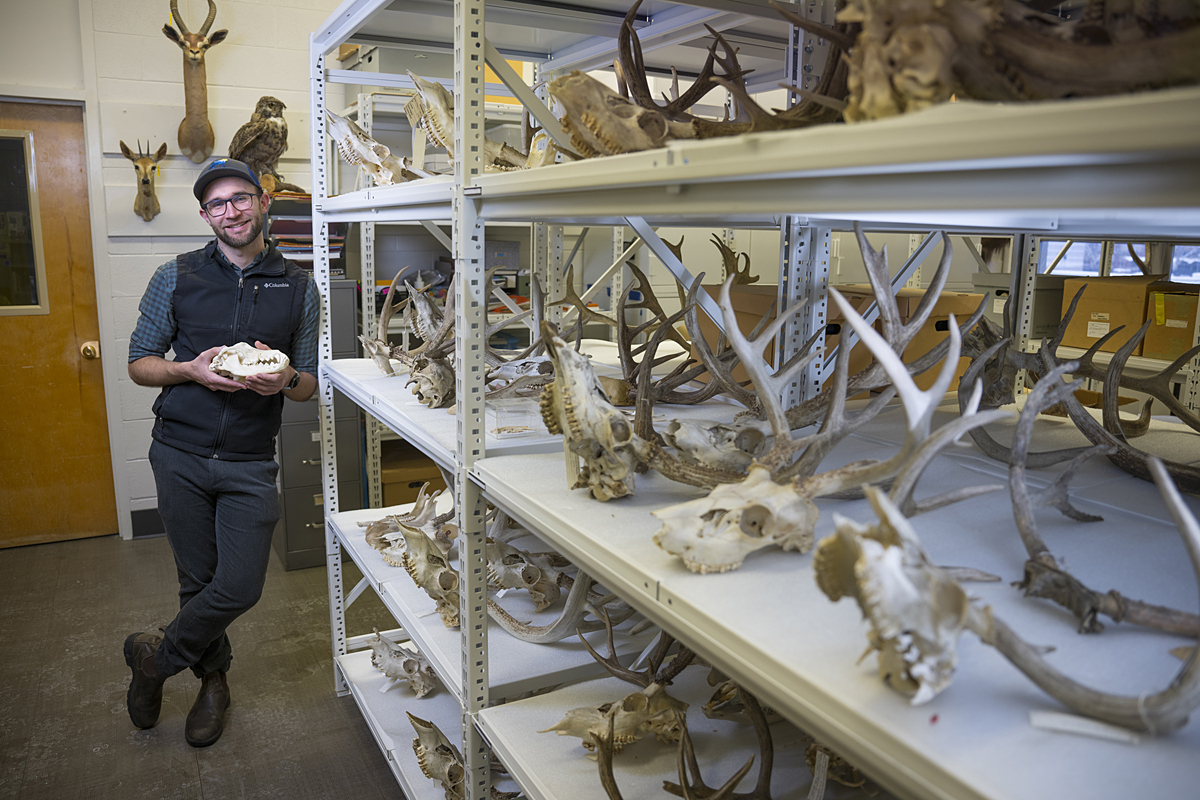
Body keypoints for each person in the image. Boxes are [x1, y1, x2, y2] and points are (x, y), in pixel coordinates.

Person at [124, 158, 320, 747]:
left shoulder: (299, 284)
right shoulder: (176, 276)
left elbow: (309, 381)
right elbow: (139, 363)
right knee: (197, 579)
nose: (229, 211)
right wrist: (189, 370)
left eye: (239, 198)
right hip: (178, 453)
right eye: (216, 204)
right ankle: (214, 683)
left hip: (250, 461)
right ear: (206, 215)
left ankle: (154, 660)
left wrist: (281, 380)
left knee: (238, 586)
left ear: (263, 202)